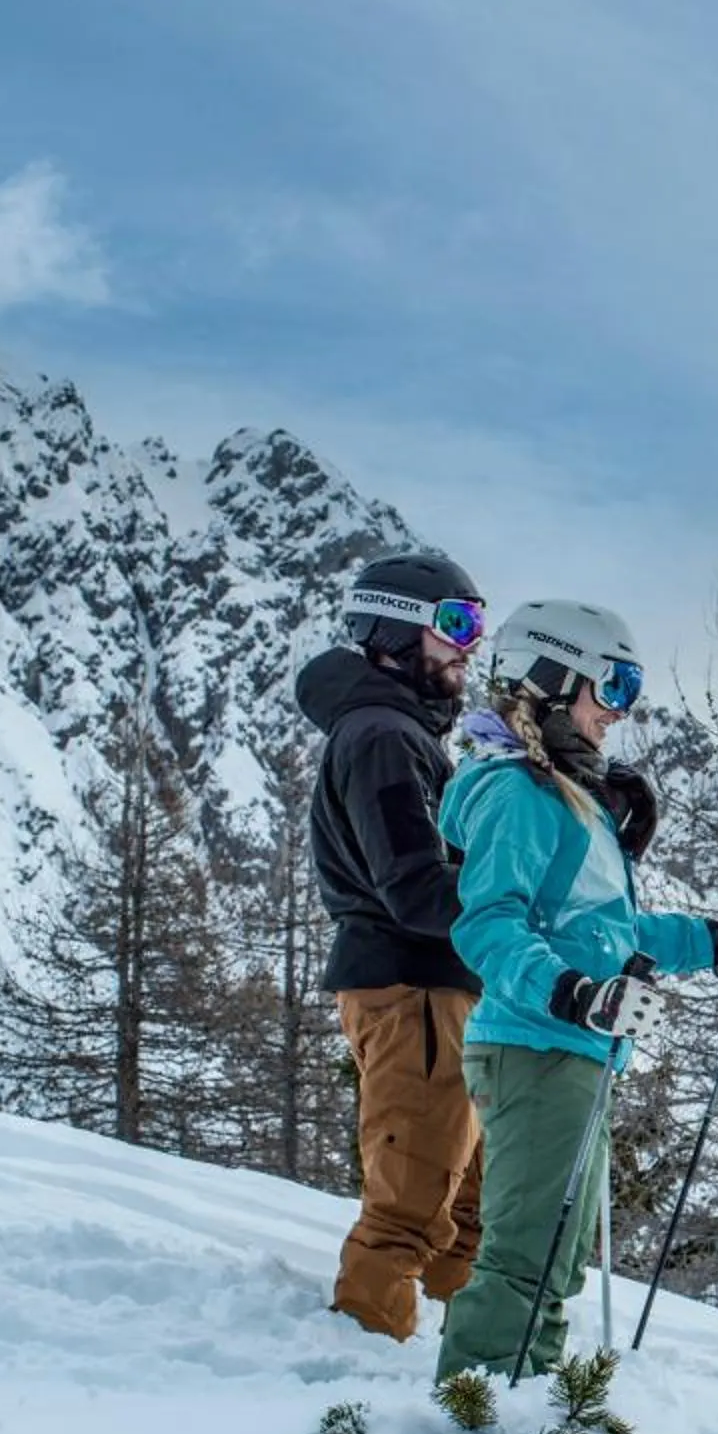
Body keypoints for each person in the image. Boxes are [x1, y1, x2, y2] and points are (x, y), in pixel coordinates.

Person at [432, 599, 718, 1383]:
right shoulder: (518, 795)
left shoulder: (571, 799)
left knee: (557, 1264)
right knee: (525, 1258)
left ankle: (520, 1407)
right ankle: (470, 1422)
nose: (617, 714)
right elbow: (488, 925)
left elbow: (614, 931)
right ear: (553, 679)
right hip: (535, 1045)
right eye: (611, 687)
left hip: (578, 1050)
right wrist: (572, 994)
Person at [296, 550, 494, 1341]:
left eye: (476, 626)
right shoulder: (382, 736)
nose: (466, 647)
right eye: (455, 624)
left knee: (466, 1202)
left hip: (441, 987)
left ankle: (465, 1356)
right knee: (411, 1203)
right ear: (394, 626)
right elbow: (413, 886)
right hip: (410, 987)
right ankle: (365, 1366)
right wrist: (514, 915)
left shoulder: (405, 732)